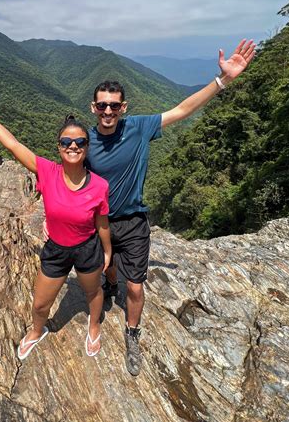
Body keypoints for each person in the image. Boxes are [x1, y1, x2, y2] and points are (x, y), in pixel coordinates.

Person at [86, 39, 256, 376]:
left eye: (114, 106)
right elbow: (65, 176)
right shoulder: (83, 139)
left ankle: (132, 334)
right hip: (99, 222)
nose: (108, 112)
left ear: (124, 107)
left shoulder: (139, 127)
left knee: (135, 287)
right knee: (108, 268)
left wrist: (222, 80)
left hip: (133, 221)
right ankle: (109, 286)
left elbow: (183, 110)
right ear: (93, 107)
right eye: (102, 106)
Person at [0, 90, 112, 360]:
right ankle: (37, 330)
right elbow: (13, 144)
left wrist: (107, 250)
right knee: (40, 303)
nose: (73, 146)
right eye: (66, 142)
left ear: (87, 147)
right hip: (56, 249)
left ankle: (94, 326)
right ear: (58, 147)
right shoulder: (47, 171)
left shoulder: (99, 186)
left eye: (79, 141)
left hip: (87, 248)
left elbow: (101, 221)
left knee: (93, 291)